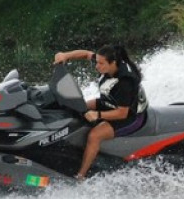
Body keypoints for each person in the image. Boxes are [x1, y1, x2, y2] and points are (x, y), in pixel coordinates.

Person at [53, 45, 148, 179]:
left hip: (130, 117)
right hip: (110, 103)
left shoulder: (125, 82)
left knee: (94, 135)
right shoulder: (106, 64)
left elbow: (122, 114)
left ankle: (81, 176)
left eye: (100, 63)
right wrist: (65, 55)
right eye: (96, 62)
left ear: (113, 63)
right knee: (79, 107)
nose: (97, 66)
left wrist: (97, 115)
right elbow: (86, 54)